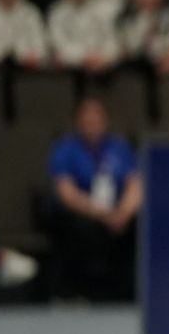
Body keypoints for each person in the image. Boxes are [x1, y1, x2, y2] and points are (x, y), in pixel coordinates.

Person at [45, 97, 141, 302]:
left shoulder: (119, 147)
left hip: (117, 211)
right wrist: (103, 215)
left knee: (139, 224)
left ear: (106, 121)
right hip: (82, 212)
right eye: (87, 120)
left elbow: (135, 184)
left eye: (96, 119)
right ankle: (82, 291)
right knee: (81, 227)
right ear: (78, 122)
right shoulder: (66, 149)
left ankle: (128, 292)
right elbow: (66, 193)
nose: (92, 124)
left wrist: (123, 212)